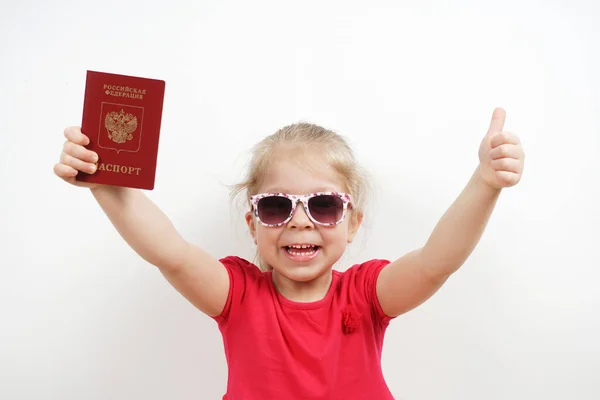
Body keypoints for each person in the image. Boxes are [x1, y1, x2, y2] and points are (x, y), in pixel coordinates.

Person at [53, 107, 525, 399]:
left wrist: (485, 183)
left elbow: (435, 262)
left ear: (353, 221)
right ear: (253, 224)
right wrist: (106, 184)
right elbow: (171, 254)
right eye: (277, 206)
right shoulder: (237, 294)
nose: (301, 221)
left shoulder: (364, 295)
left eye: (323, 205)